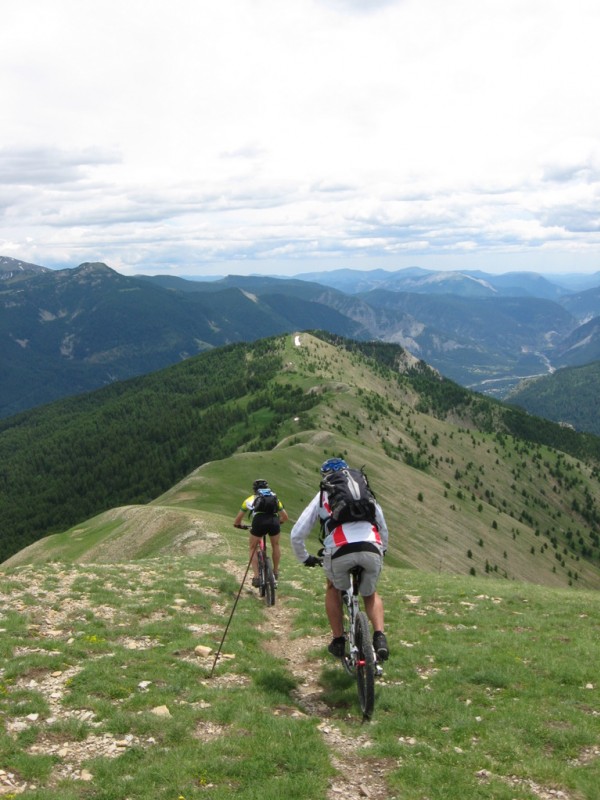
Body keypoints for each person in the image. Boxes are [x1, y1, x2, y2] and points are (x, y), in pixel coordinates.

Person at [290, 458, 389, 661]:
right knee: (370, 594)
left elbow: (296, 534)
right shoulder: (366, 494)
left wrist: (305, 558)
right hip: (372, 546)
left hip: (339, 550)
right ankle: (379, 637)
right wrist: (382, 550)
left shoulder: (323, 496)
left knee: (333, 588)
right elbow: (383, 526)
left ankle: (338, 640)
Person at [234, 479, 289, 587]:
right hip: (274, 521)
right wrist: (278, 522)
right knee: (275, 545)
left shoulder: (250, 499)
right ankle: (276, 571)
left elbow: (238, 520)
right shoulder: (275, 499)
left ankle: (257, 577)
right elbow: (285, 517)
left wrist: (239, 525)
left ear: (254, 490)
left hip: (259, 522)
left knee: (252, 548)